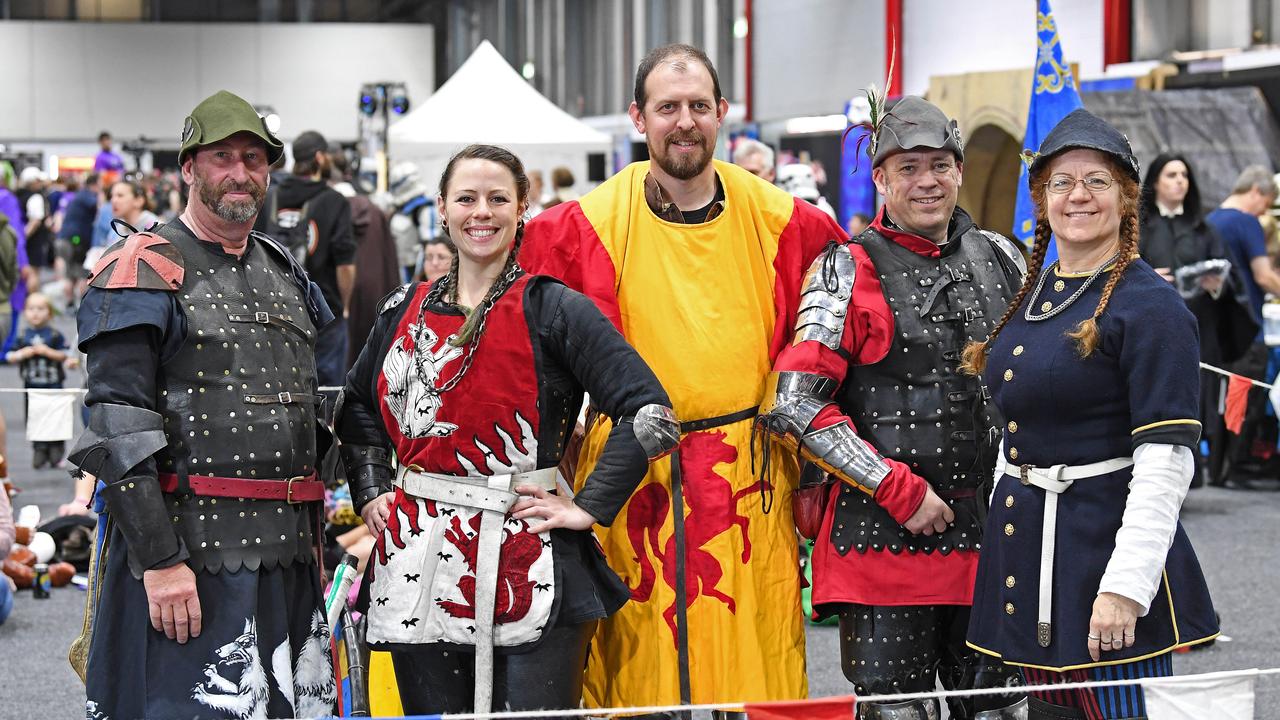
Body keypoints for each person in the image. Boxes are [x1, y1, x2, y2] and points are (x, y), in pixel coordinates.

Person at [521, 43, 844, 709]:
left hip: (750, 486)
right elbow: (534, 377)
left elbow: (833, 360)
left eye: (699, 105)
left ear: (723, 113)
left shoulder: (791, 225)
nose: (685, 121)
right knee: (638, 670)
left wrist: (820, 478)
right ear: (638, 118)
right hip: (628, 483)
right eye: (668, 107)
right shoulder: (578, 230)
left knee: (757, 666)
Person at [337, 143, 676, 715]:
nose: (481, 212)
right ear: (441, 209)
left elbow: (650, 412)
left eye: (498, 198)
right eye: (466, 198)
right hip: (416, 559)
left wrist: (588, 506)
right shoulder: (404, 309)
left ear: (523, 208)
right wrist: (372, 491)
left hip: (529, 553)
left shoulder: (554, 308)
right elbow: (357, 408)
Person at [756, 95, 1027, 720]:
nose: (926, 181)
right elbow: (795, 406)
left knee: (1002, 709)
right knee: (896, 713)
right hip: (882, 544)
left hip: (991, 533)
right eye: (907, 168)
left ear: (959, 169)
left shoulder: (1005, 256)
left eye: (938, 164)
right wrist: (897, 490)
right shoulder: (845, 270)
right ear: (879, 179)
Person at [68, 90, 337, 719]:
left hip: (290, 559)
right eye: (222, 157)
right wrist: (160, 561)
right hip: (189, 560)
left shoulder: (283, 269)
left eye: (253, 158)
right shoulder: (142, 267)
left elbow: (313, 404)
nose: (240, 173)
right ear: (189, 167)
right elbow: (116, 424)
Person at [962, 108, 1219, 719]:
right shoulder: (1037, 292)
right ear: (1042, 199)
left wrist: (1127, 588)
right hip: (1029, 559)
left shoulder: (1151, 308)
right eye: (1061, 183)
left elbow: (1166, 463)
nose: (1077, 196)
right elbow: (1016, 433)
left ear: (1127, 198)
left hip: (1105, 564)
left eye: (1097, 181)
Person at [1138, 155, 1255, 487]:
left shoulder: (1205, 229)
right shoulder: (1138, 225)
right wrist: (1145, 276)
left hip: (1200, 330)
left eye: (1184, 175)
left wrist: (1217, 285)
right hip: (1151, 329)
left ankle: (1191, 467)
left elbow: (1230, 279)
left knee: (1198, 398)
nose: (1179, 181)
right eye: (1171, 174)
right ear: (1156, 181)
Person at [256, 129, 357, 387]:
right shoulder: (335, 202)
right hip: (324, 310)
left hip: (273, 309)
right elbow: (345, 264)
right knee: (326, 391)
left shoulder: (268, 199)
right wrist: (344, 306)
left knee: (279, 384)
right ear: (321, 158)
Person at [1206, 166, 1280, 485]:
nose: (1265, 211)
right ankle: (1238, 463)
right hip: (1246, 324)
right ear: (1257, 192)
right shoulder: (1247, 222)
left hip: (1216, 326)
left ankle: (1220, 467)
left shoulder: (1209, 221)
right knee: (1248, 393)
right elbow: (1263, 275)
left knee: (1224, 396)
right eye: (1267, 202)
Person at [5, 292, 71, 468]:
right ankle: (39, 448)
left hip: (54, 385)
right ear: (25, 312)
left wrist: (48, 352)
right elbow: (8, 355)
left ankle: (56, 448)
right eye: (31, 309)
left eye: (40, 309)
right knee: (34, 418)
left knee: (55, 416)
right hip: (31, 387)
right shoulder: (22, 336)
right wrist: (21, 354)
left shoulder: (55, 334)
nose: (35, 313)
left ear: (49, 313)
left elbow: (67, 354)